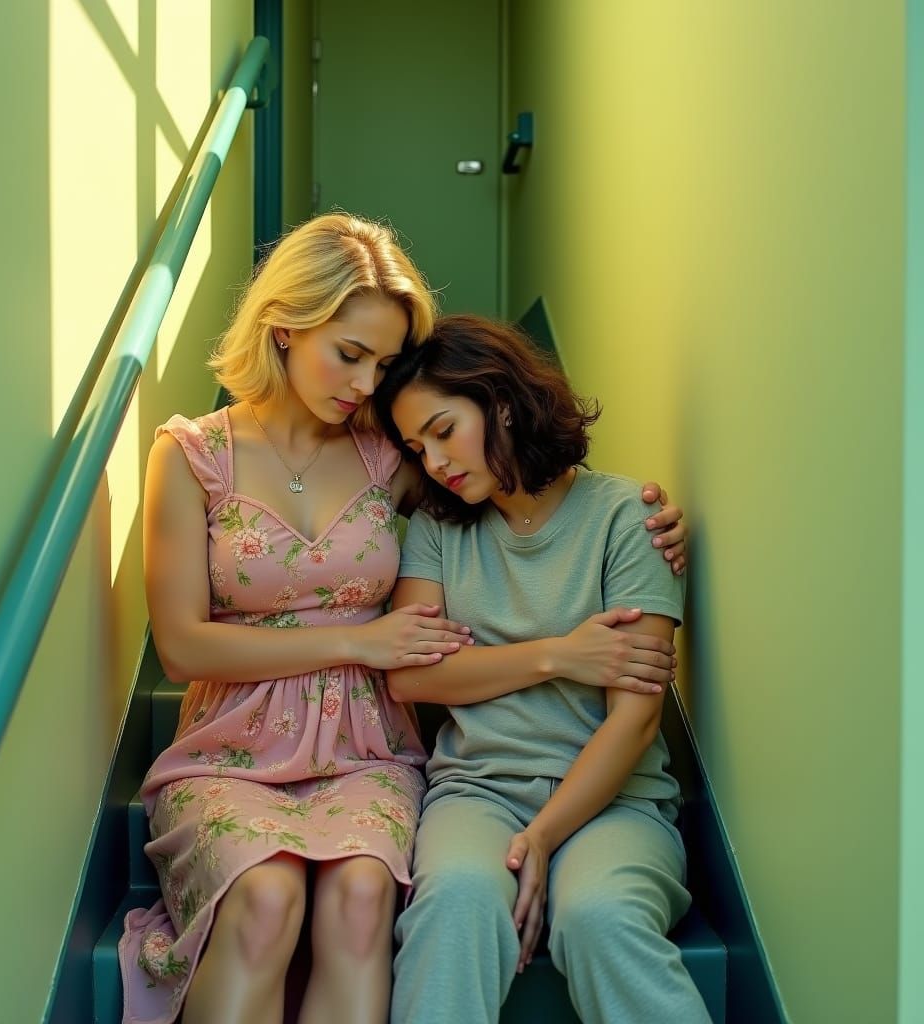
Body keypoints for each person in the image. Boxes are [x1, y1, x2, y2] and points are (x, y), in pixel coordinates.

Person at [117, 214, 688, 1024]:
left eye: (383, 365)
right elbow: (179, 647)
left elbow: (519, 482)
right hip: (235, 745)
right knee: (270, 900)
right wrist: (363, 639)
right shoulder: (193, 454)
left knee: (362, 900)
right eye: (351, 354)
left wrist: (651, 520)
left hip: (368, 745)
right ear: (284, 325)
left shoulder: (393, 458)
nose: (365, 384)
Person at [375, 314, 711, 1024]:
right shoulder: (436, 529)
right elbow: (413, 677)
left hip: (618, 803)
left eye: (443, 431)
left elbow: (635, 719)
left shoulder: (630, 519)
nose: (434, 462)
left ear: (500, 402)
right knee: (455, 903)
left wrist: (543, 837)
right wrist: (560, 654)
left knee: (599, 916)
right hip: (477, 792)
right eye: (416, 448)